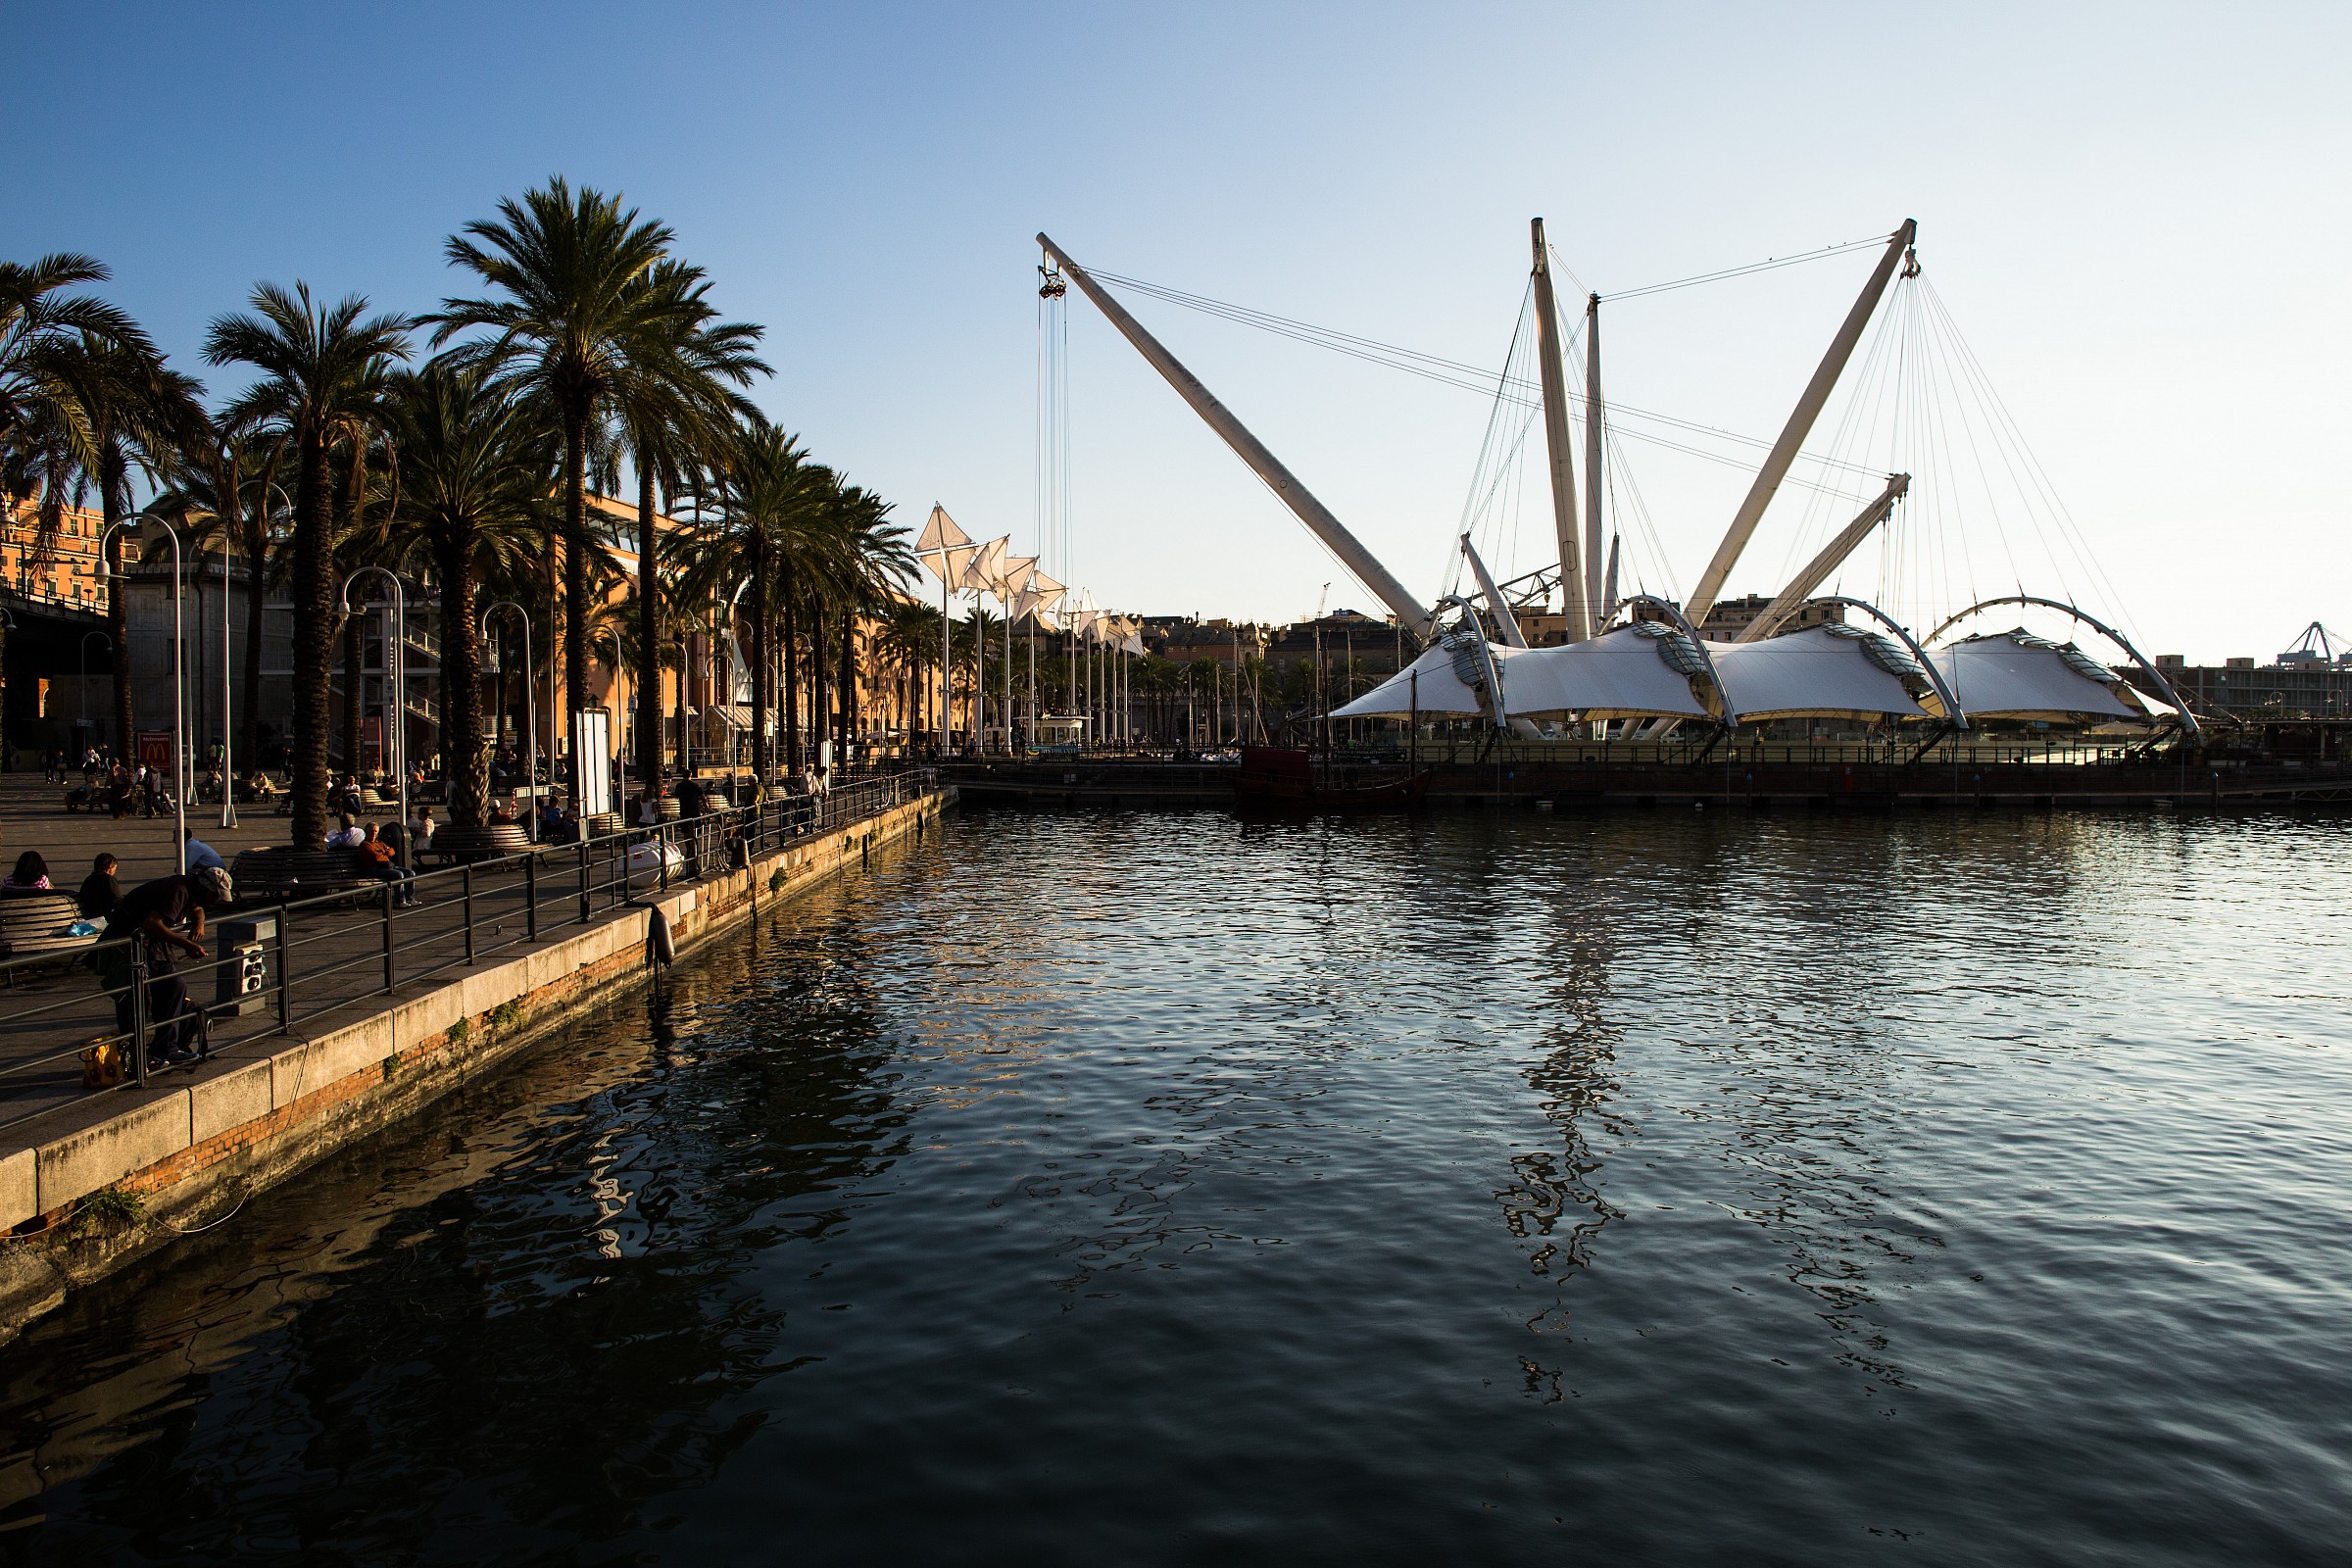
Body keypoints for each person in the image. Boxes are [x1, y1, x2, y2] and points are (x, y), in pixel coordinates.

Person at [100, 864, 233, 1066]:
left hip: (152, 944)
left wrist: (199, 923)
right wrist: (187, 944)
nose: (214, 900)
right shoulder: (178, 891)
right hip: (131, 944)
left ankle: (166, 1047)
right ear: (204, 887)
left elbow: (197, 909)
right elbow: (152, 923)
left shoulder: (190, 890)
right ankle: (136, 1056)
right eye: (213, 895)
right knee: (139, 999)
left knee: (175, 986)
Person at [355, 822, 416, 906]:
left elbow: (392, 851)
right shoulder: (365, 845)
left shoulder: (379, 842)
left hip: (388, 866)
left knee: (410, 873)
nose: (373, 833)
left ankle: (410, 898)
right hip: (375, 869)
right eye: (371, 831)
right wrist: (385, 852)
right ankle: (399, 901)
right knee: (398, 874)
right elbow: (376, 857)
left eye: (376, 831)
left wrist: (383, 852)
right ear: (366, 831)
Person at [76, 854, 122, 919]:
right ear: (110, 867)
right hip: (104, 918)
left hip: (89, 916)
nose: (115, 871)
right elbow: (117, 900)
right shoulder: (108, 879)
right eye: (115, 867)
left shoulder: (88, 879)